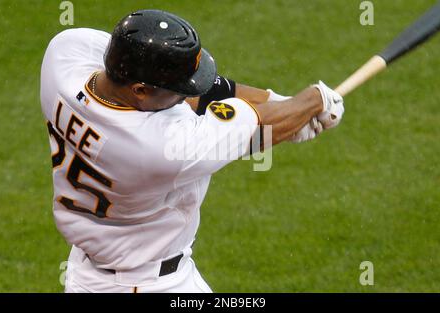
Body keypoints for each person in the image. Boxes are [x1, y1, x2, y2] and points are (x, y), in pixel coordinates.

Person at [40, 9, 344, 293]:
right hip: (150, 285)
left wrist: (280, 104)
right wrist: (313, 101)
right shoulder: (160, 150)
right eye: (177, 90)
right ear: (140, 91)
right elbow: (255, 125)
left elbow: (213, 101)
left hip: (86, 273)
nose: (185, 95)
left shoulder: (65, 55)